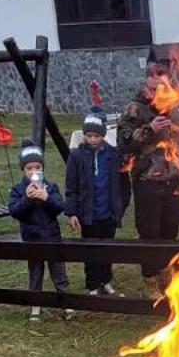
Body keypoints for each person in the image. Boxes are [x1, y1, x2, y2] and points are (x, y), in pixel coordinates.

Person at [117, 59, 179, 289]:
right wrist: (150, 130)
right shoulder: (135, 108)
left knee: (172, 225)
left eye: (161, 88)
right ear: (146, 86)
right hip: (147, 180)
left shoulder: (174, 111)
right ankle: (150, 278)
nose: (156, 93)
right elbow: (124, 141)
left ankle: (165, 273)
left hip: (172, 179)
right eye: (152, 88)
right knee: (150, 231)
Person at [63, 111, 126, 296]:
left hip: (108, 212)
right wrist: (72, 212)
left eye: (96, 136)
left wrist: (120, 207)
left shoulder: (113, 155)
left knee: (108, 249)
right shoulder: (76, 156)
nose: (92, 139)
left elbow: (123, 184)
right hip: (88, 214)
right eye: (89, 136)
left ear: (103, 135)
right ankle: (92, 285)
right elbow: (71, 186)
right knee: (90, 251)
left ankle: (106, 281)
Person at [6, 143, 68, 321]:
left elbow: (59, 207)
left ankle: (66, 303)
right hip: (32, 239)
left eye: (37, 167)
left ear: (42, 168)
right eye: (29, 168)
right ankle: (35, 305)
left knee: (59, 272)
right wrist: (27, 199)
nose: (33, 171)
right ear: (23, 169)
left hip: (52, 237)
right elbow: (15, 212)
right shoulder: (18, 189)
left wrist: (46, 198)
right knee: (35, 272)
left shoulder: (50, 186)